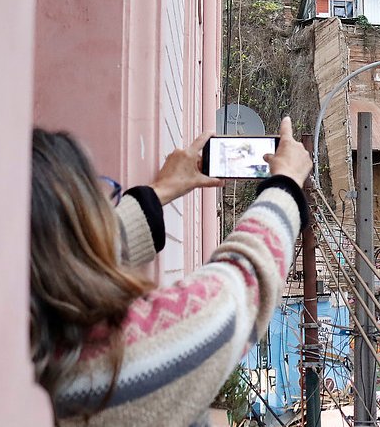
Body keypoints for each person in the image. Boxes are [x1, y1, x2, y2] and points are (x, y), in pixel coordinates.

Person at [29, 117, 311, 426]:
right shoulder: (108, 365)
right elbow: (240, 286)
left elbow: (75, 247)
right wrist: (285, 185)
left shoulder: (22, 337)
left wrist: (159, 191)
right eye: (98, 199)